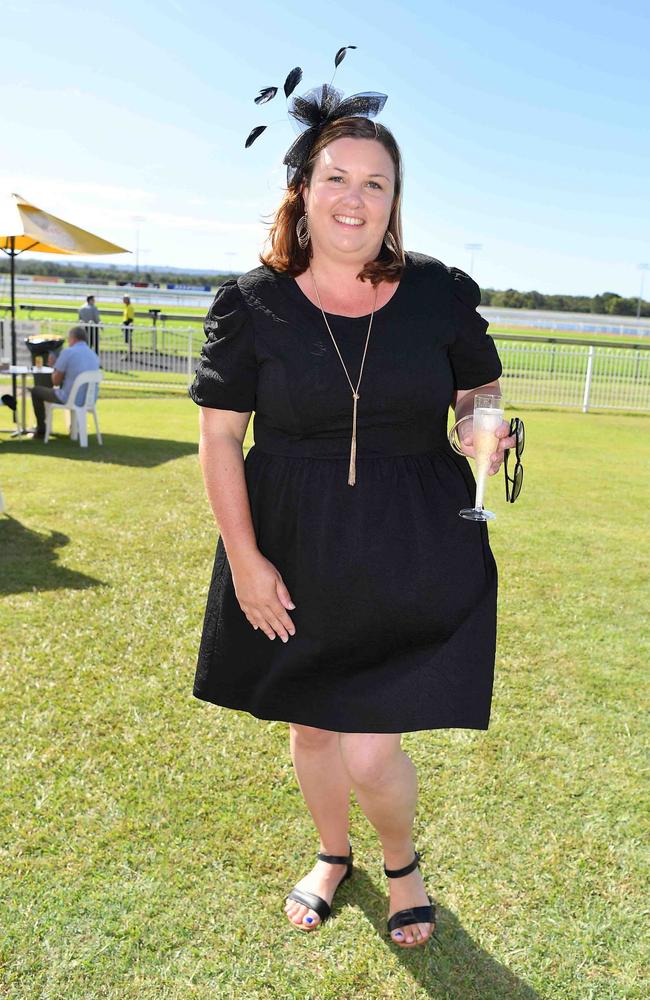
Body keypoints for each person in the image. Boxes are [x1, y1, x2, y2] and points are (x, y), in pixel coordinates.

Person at [189, 62, 516, 949]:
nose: (354, 197)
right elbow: (221, 438)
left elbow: (477, 392)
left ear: (394, 200)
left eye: (376, 182)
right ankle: (333, 855)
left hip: (413, 546)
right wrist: (248, 563)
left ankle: (400, 863)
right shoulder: (251, 306)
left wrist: (485, 428)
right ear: (301, 190)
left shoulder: (437, 292)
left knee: (372, 746)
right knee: (314, 729)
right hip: (296, 549)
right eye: (336, 177)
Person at [30, 326, 100, 437]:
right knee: (70, 387)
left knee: (36, 391)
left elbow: (56, 381)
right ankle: (75, 427)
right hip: (89, 399)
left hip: (69, 398)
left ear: (72, 338)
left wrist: (54, 366)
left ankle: (41, 429)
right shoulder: (94, 355)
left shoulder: (68, 353)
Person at [122, 295, 135, 360]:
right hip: (126, 324)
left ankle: (128, 355)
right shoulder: (126, 307)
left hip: (128, 325)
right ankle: (128, 355)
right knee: (127, 341)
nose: (123, 300)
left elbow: (130, 318)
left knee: (128, 341)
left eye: (124, 299)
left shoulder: (129, 307)